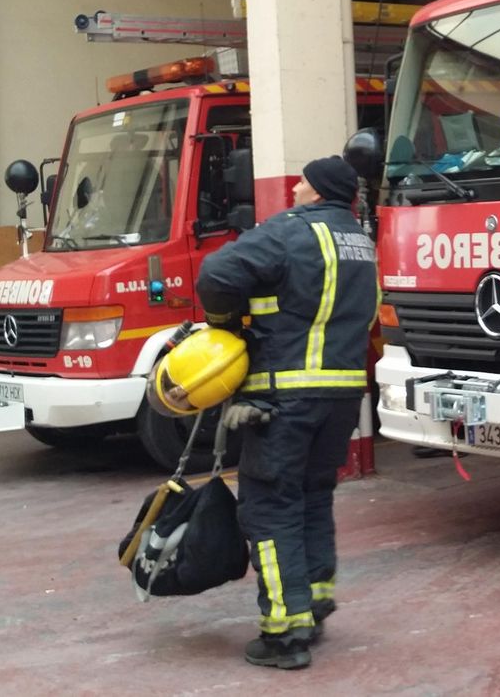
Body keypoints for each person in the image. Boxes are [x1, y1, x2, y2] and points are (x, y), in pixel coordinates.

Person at [195, 154, 378, 670]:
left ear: (317, 193)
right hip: (342, 398)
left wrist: (226, 324)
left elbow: (217, 273)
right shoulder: (361, 243)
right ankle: (315, 604)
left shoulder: (290, 232)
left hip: (284, 396)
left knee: (271, 507)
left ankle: (284, 632)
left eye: (301, 182)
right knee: (313, 498)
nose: (294, 188)